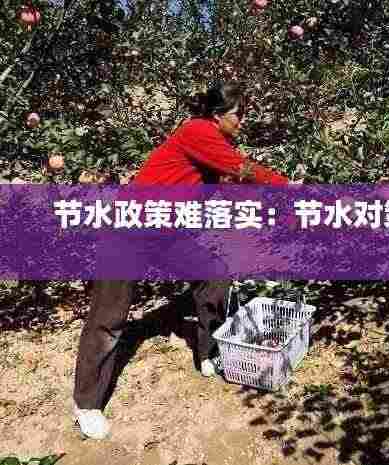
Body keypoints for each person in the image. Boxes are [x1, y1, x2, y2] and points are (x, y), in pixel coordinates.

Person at [72, 81, 291, 440]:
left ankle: (208, 352)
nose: (242, 121)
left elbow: (231, 185)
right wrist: (287, 187)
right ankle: (86, 404)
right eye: (238, 115)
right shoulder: (197, 131)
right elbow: (244, 170)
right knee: (109, 318)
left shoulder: (213, 145)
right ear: (217, 115)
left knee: (214, 273)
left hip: (166, 232)